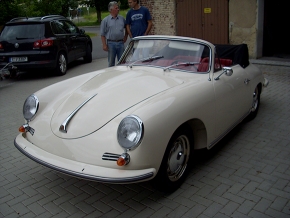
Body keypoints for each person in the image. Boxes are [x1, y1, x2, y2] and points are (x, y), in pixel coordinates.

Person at [101, 1, 128, 67]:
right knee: (111, 63)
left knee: (122, 62)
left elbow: (127, 27)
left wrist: (125, 36)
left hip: (120, 43)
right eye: (116, 8)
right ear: (111, 10)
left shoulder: (122, 19)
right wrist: (104, 45)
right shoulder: (105, 20)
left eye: (118, 8)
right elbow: (102, 34)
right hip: (111, 44)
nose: (118, 9)